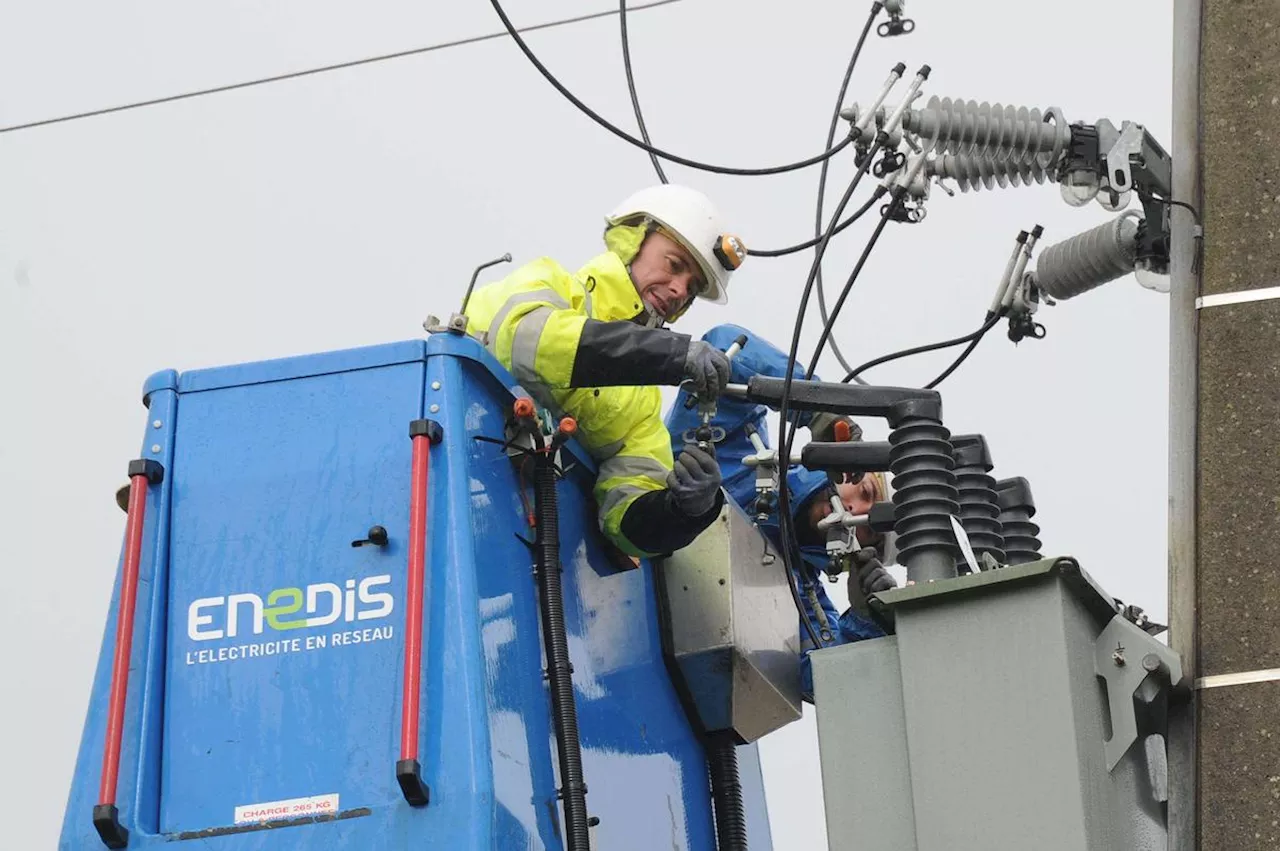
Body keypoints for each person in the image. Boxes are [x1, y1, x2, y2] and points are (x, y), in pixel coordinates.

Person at [463, 185, 750, 558]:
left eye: (692, 288)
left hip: (511, 548)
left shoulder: (641, 406)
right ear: (633, 241)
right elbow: (530, 342)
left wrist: (686, 510)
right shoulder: (550, 285)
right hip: (447, 481)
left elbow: (625, 515)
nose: (679, 290)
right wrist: (669, 354)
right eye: (674, 265)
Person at [665, 323, 898, 701]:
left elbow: (825, 681)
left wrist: (864, 621)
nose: (854, 510)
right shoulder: (742, 448)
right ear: (846, 465)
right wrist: (817, 409)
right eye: (865, 490)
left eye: (868, 527)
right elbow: (724, 346)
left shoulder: (802, 597)